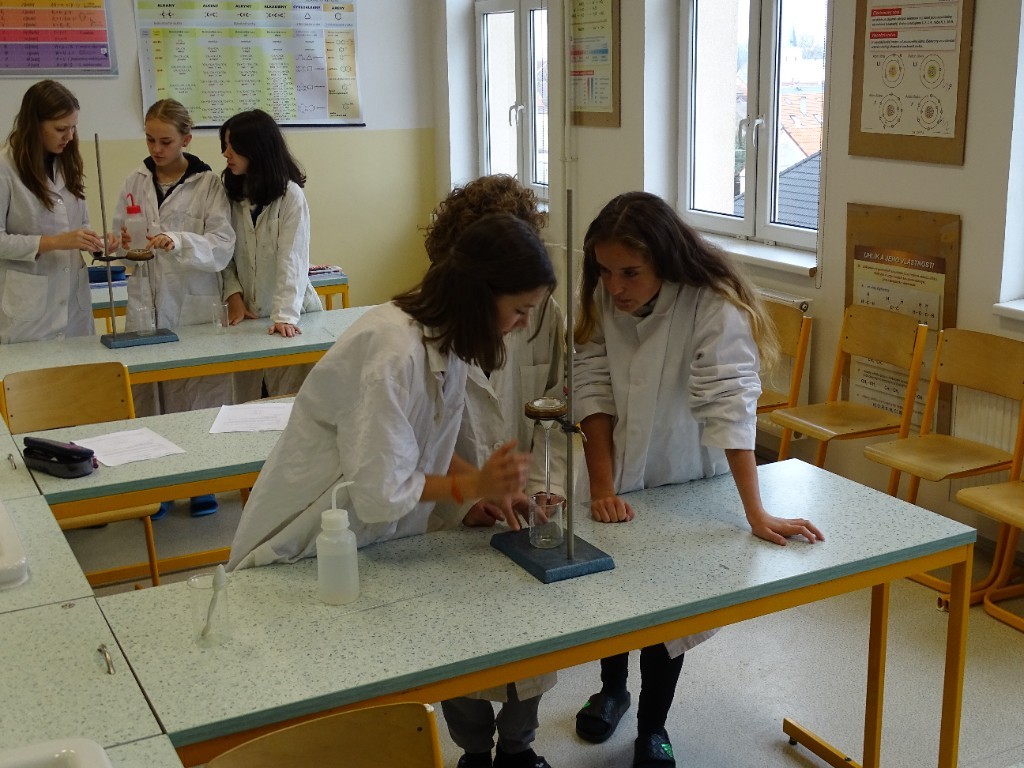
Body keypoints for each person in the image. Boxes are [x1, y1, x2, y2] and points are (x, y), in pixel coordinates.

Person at [571, 192, 824, 768]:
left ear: (665, 258)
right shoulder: (602, 297)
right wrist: (603, 487)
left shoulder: (714, 304)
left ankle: (653, 727)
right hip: (614, 467)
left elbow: (730, 408)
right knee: (611, 592)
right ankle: (611, 691)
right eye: (605, 271)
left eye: (630, 272)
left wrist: (755, 511)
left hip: (682, 471)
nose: (615, 286)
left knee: (669, 610)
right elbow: (591, 388)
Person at [227, 212, 555, 572]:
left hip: (361, 544)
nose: (524, 323)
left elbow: (425, 445)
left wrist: (491, 487)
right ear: (480, 295)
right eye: (520, 310)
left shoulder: (451, 346)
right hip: (297, 546)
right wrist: (473, 484)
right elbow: (380, 493)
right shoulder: (393, 352)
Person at [422, 175, 564, 768]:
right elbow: (415, 443)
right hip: (451, 514)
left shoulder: (543, 313)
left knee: (532, 642)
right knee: (461, 643)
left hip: (525, 508)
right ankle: (474, 751)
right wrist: (465, 498)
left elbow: (560, 404)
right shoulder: (430, 324)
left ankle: (519, 749)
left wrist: (547, 487)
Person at [114, 98, 235, 518]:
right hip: (146, 304)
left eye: (165, 141)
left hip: (192, 305)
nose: (156, 148)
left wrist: (179, 240)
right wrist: (122, 245)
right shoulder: (134, 180)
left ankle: (204, 483)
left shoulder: (209, 184)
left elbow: (222, 245)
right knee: (152, 398)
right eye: (150, 139)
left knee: (198, 396)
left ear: (186, 139)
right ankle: (160, 485)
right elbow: (122, 241)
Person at [219, 109, 323, 402]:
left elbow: (293, 259)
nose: (226, 153)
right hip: (249, 316)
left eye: (233, 146)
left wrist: (285, 316)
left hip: (292, 315)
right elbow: (224, 253)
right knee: (249, 403)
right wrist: (233, 295)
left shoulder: (290, 196)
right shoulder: (232, 195)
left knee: (290, 401)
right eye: (224, 145)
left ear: (257, 148)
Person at [0, 79, 114, 344]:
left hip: (74, 308)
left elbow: (79, 224)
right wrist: (54, 242)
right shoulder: (5, 168)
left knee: (80, 366)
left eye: (73, 127)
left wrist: (96, 244)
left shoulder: (68, 163)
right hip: (28, 314)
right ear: (34, 125)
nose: (70, 137)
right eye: (61, 129)